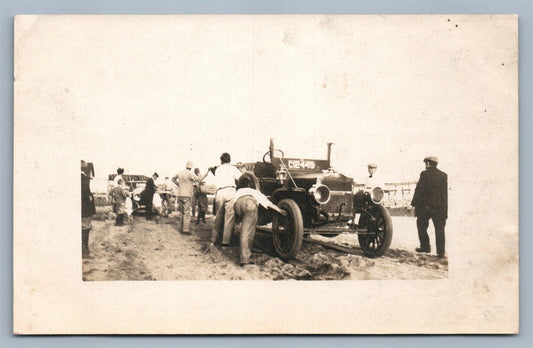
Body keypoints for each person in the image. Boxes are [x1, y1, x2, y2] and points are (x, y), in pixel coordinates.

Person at [224, 175, 286, 265]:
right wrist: (280, 210)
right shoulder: (253, 191)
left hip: (237, 206)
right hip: (249, 205)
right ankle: (244, 258)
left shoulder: (238, 191)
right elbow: (267, 203)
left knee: (245, 229)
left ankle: (247, 251)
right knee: (247, 231)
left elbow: (231, 205)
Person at [411, 156, 448, 258]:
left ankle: (425, 246)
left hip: (426, 208)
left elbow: (419, 190)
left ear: (427, 164)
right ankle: (441, 252)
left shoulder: (424, 174)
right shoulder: (444, 175)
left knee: (421, 225)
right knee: (440, 229)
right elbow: (446, 194)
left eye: (425, 164)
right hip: (440, 209)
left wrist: (413, 204)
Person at [210, 152, 243, 246]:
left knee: (218, 217)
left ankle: (213, 239)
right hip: (230, 191)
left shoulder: (218, 169)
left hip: (220, 192)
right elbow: (241, 178)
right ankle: (225, 241)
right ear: (230, 160)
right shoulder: (233, 168)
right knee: (229, 218)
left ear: (221, 160)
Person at [172, 162, 208, 234]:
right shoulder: (190, 173)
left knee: (182, 212)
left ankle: (182, 228)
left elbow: (173, 179)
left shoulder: (180, 172)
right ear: (191, 167)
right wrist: (207, 172)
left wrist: (179, 184)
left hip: (180, 195)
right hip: (187, 195)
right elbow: (199, 179)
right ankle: (185, 230)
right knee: (187, 213)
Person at [81, 160, 96, 258]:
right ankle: (85, 251)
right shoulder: (85, 180)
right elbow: (88, 196)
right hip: (85, 209)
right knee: (85, 228)